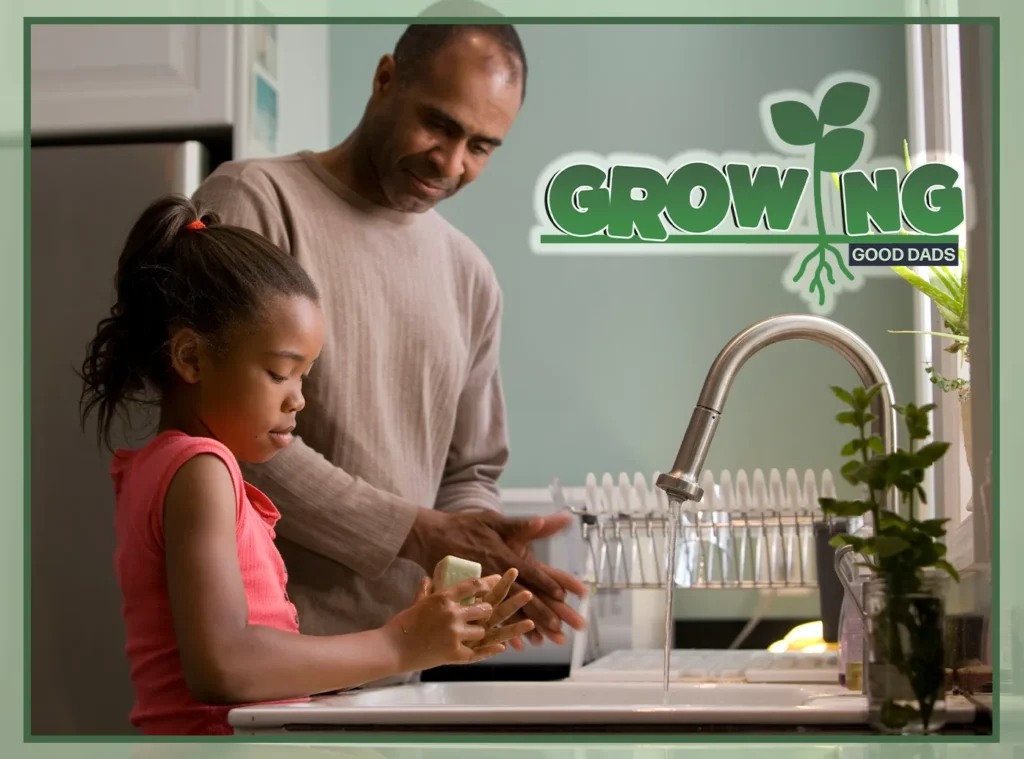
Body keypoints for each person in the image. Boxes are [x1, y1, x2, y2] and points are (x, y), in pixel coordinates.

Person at [191, 22, 586, 664]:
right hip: (261, 661)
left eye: (481, 147)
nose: (451, 163)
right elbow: (223, 429)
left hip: (399, 665)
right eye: (439, 124)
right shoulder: (254, 201)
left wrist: (480, 559)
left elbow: (471, 470)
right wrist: (418, 532)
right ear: (384, 81)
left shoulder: (470, 275)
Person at [79, 194, 535, 736]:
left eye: (305, 377)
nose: (298, 400)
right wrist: (399, 643)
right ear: (191, 358)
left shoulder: (159, 466)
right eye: (280, 373)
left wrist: (419, 638)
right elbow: (224, 665)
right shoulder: (201, 470)